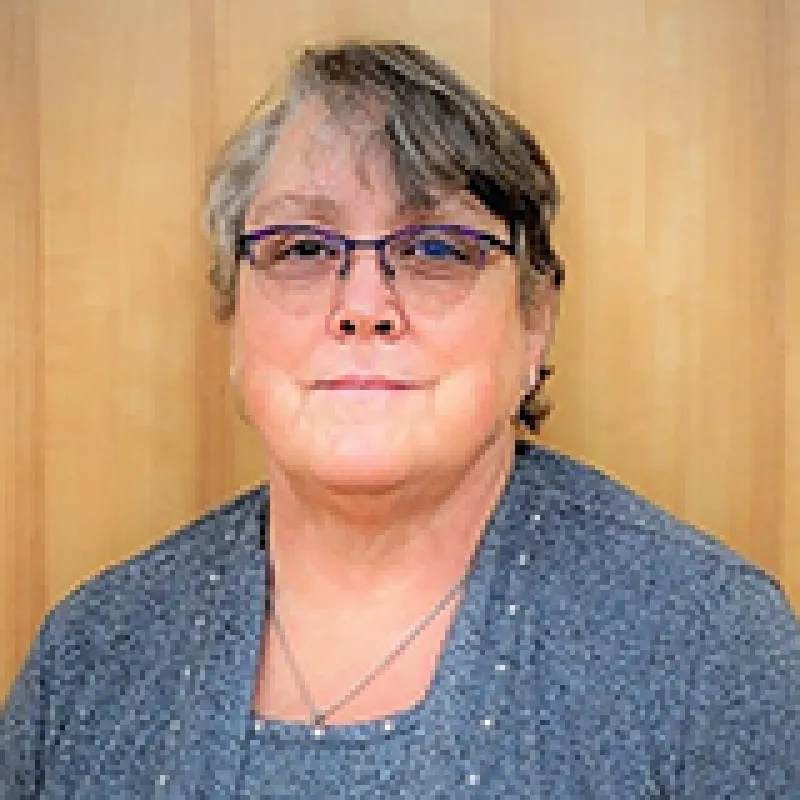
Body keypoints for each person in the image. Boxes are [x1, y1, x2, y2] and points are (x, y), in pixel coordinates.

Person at [2, 39, 798, 798]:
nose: (362, 308)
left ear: (534, 322)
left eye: (438, 249)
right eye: (304, 249)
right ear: (234, 318)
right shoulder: (87, 657)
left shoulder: (710, 648)